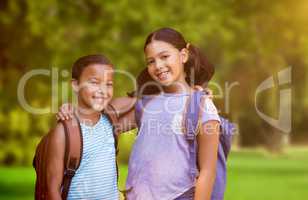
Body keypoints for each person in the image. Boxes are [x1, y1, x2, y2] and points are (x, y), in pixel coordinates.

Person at [47, 54, 119, 200]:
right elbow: (52, 190)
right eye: (94, 82)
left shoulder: (111, 119)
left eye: (109, 84)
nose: (103, 90)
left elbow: (140, 99)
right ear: (75, 85)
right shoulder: (64, 132)